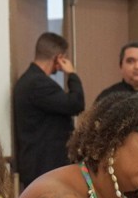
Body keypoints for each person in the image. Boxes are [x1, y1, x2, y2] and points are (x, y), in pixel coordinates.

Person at [13, 32, 85, 189]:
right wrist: (72, 74)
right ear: (59, 58)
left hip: (39, 166)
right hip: (44, 166)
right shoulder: (38, 83)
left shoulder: (29, 80)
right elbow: (76, 104)